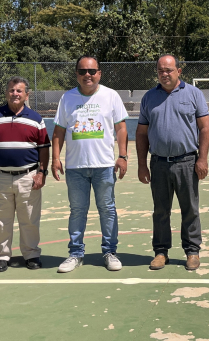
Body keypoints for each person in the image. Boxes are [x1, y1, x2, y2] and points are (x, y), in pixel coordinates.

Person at [52, 55, 129, 272]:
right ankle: (75, 253)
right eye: (82, 71)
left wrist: (122, 155)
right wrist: (55, 158)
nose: (88, 75)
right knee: (77, 210)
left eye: (92, 71)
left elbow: (121, 128)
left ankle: (110, 252)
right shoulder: (67, 98)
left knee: (107, 209)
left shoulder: (111, 96)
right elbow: (58, 131)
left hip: (104, 165)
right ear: (76, 74)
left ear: (99, 73)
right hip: (75, 167)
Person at [136, 54, 209, 271]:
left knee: (190, 209)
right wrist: (142, 164)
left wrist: (202, 159)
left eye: (169, 70)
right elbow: (141, 133)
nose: (164, 74)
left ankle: (192, 251)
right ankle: (161, 252)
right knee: (160, 211)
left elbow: (205, 128)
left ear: (179, 71)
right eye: (160, 70)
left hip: (187, 161)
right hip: (158, 163)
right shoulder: (149, 97)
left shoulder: (193, 94)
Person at [0, 76, 50, 272]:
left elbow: (44, 148)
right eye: (11, 90)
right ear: (6, 92)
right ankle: (1, 256)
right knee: (1, 219)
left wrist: (41, 172)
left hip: (28, 176)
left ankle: (32, 255)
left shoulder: (36, 119)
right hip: (0, 177)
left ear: (27, 94)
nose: (15, 94)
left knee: (29, 219)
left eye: (19, 90)